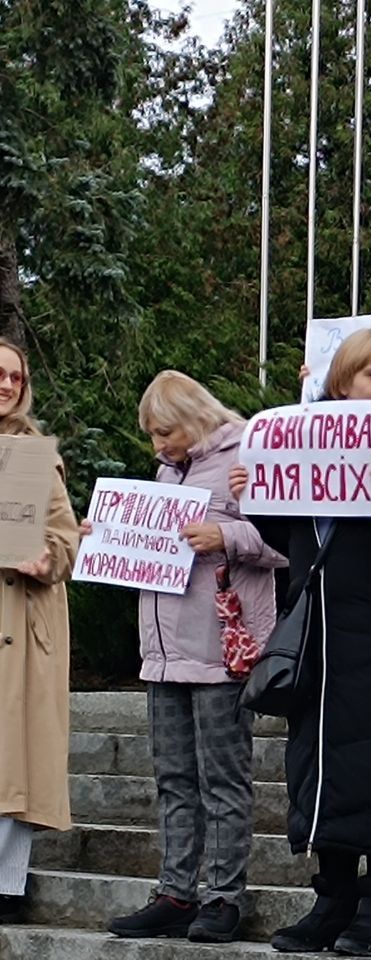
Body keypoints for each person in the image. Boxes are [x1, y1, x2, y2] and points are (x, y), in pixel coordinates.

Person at [231, 330, 371, 957]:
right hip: (318, 637)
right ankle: (333, 896)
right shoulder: (310, 440)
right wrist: (255, 497)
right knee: (320, 767)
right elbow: (296, 540)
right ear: (340, 384)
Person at [104, 372, 285, 943]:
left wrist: (227, 537)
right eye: (152, 436)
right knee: (174, 777)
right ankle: (177, 892)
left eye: (165, 432)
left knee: (223, 780)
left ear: (194, 417)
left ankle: (225, 897)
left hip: (219, 649)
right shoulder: (166, 472)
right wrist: (107, 537)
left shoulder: (247, 454)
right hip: (162, 653)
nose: (158, 445)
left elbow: (288, 541)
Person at [0, 337, 78, 924]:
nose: (6, 385)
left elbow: (64, 537)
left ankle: (6, 885)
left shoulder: (32, 454)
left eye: (15, 377)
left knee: (14, 764)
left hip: (18, 625)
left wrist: (46, 560)